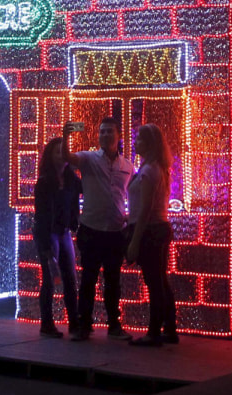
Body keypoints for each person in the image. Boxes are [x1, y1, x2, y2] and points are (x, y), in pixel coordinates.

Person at [66, 116, 133, 341]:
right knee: (89, 280)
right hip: (92, 229)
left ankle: (114, 324)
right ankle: (85, 325)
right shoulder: (89, 159)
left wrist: (128, 218)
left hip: (115, 231)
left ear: (118, 136)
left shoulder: (127, 166)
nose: (104, 135)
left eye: (109, 132)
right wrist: (66, 136)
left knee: (113, 280)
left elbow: (128, 193)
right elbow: (67, 157)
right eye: (101, 132)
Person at [124, 124, 177, 347]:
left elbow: (145, 208)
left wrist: (135, 241)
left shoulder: (148, 171)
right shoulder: (157, 167)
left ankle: (154, 331)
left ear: (149, 144)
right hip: (159, 227)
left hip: (150, 231)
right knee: (160, 280)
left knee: (154, 282)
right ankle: (169, 328)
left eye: (140, 140)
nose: (135, 143)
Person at [33, 136, 82, 338]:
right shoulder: (44, 183)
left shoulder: (72, 180)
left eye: (65, 151)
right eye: (57, 152)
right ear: (50, 156)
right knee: (50, 279)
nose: (62, 155)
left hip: (63, 232)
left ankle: (74, 322)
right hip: (48, 233)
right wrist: (45, 246)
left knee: (70, 278)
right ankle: (47, 323)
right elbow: (42, 215)